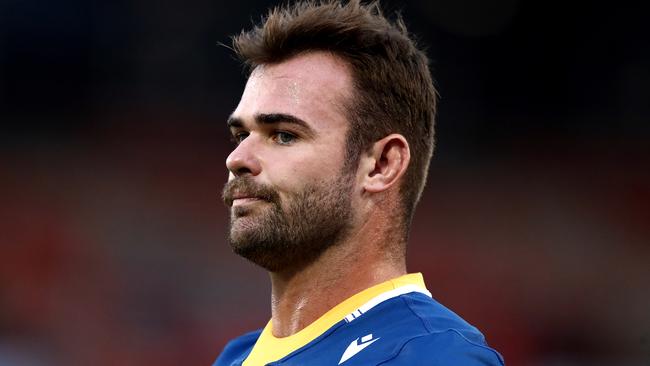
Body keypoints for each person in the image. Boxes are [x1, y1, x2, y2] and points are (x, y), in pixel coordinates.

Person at [216, 1, 504, 365]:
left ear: (382, 165)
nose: (237, 159)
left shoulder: (434, 355)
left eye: (284, 135)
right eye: (241, 134)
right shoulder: (235, 357)